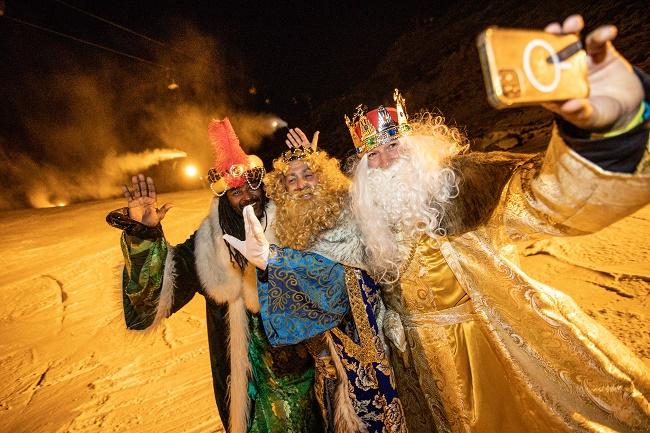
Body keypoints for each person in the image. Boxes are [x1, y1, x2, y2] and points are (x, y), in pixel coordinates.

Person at [344, 15, 650, 433]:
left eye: (393, 145)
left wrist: (608, 130)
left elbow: (549, 199)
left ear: (414, 144)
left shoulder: (462, 185)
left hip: (487, 341)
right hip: (417, 356)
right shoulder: (366, 217)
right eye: (372, 157)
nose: (384, 162)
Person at [106, 118, 323, 433]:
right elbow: (149, 302)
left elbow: (332, 230)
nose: (246, 196)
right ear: (223, 197)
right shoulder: (207, 244)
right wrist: (145, 236)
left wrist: (314, 181)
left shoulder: (291, 224)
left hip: (306, 389)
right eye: (234, 191)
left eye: (251, 186)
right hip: (245, 401)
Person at [224, 128, 407, 433]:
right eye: (291, 180)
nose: (302, 185)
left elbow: (337, 282)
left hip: (372, 357)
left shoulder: (354, 210)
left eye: (309, 174)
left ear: (324, 176)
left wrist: (276, 260)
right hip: (326, 365)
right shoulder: (287, 228)